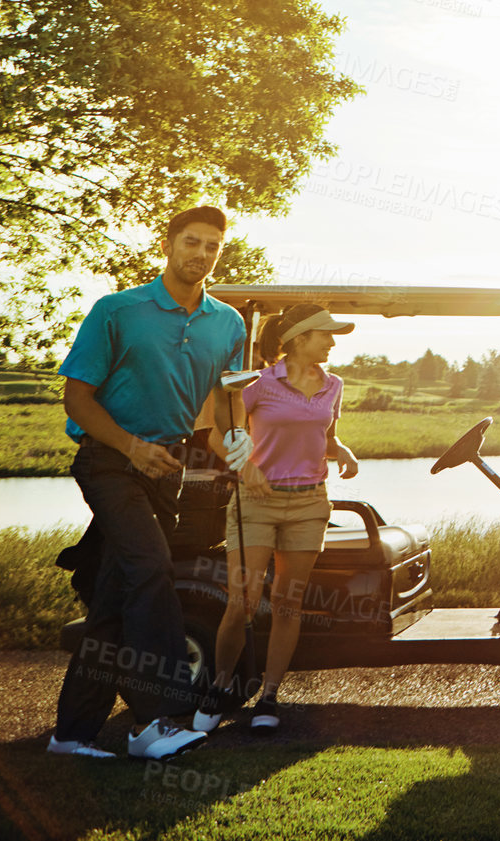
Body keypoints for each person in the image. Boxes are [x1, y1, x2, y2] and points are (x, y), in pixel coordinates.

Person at [48, 206, 246, 761]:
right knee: (153, 568)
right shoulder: (118, 310)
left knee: (114, 599)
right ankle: (152, 721)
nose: (201, 254)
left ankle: (72, 734)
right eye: (192, 241)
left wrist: (237, 441)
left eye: (212, 246)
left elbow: (225, 407)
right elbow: (77, 399)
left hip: (166, 468)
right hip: (109, 459)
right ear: (169, 244)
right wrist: (131, 446)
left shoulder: (229, 324)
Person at [194, 302, 358, 734]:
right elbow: (217, 431)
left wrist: (342, 451)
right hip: (256, 501)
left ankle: (269, 695)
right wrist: (245, 465)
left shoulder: (334, 385)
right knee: (242, 603)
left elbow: (326, 437)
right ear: (299, 338)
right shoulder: (257, 383)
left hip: (309, 504)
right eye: (326, 334)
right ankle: (221, 685)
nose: (333, 341)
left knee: (289, 602)